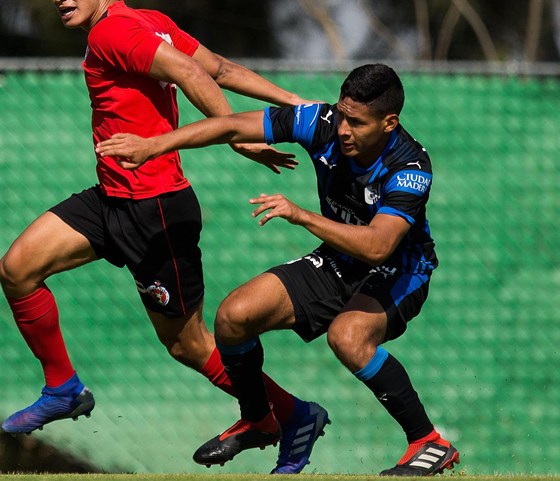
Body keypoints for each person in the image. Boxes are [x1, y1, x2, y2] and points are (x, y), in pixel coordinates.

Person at [0, 0, 329, 473]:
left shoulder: (114, 31)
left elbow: (194, 76)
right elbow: (217, 65)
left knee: (191, 345)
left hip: (156, 211)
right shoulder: (146, 20)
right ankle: (62, 387)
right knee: (17, 269)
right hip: (111, 199)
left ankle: (292, 415)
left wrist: (235, 134)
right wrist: (297, 104)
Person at [96, 64, 460, 476]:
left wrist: (302, 216)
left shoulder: (410, 166)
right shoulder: (321, 123)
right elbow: (232, 126)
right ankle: (260, 419)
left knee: (348, 337)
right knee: (233, 317)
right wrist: (154, 146)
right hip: (341, 260)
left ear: (389, 122)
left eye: (356, 122)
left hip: (401, 269)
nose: (343, 129)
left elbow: (378, 247)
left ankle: (429, 442)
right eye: (342, 115)